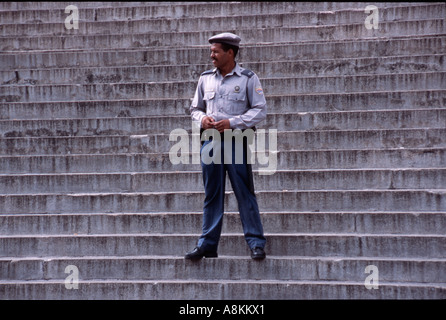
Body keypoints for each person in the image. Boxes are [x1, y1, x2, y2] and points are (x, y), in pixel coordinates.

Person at [186, 32, 267, 260]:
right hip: (210, 143)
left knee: (244, 192)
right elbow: (195, 108)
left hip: (236, 141)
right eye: (211, 51)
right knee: (212, 194)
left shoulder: (248, 78)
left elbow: (260, 110)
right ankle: (207, 244)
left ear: (230, 53)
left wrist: (233, 123)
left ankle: (255, 242)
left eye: (216, 51)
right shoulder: (205, 79)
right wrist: (202, 119)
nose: (211, 55)